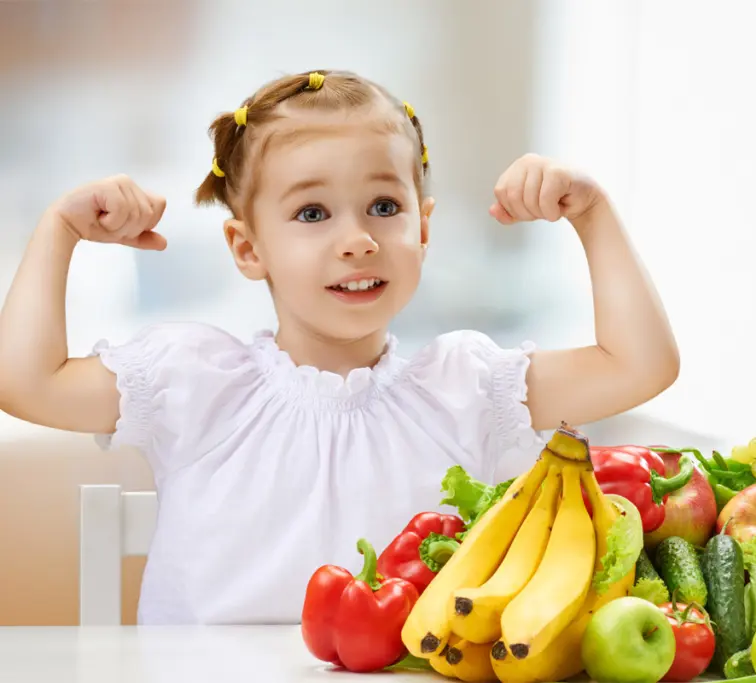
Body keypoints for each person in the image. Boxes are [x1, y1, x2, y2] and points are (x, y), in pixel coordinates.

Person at [0, 69, 679, 625]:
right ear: (248, 247)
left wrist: (592, 214)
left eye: (384, 207)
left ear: (423, 228)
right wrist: (60, 229)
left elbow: (640, 365)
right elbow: (25, 383)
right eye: (312, 213)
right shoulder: (194, 381)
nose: (357, 240)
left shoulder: (465, 387)